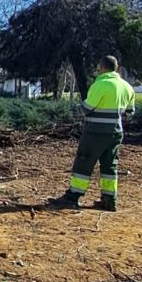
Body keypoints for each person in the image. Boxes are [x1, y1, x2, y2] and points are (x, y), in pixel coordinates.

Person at [48, 55, 136, 211]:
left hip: (95, 132)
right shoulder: (127, 87)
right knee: (110, 165)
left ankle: (73, 196)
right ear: (116, 68)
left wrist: (75, 110)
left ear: (101, 68)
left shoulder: (101, 84)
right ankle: (109, 199)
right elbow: (130, 113)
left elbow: (87, 108)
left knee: (84, 162)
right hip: (116, 132)